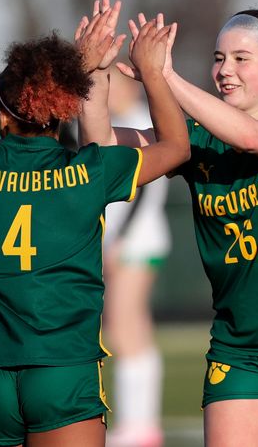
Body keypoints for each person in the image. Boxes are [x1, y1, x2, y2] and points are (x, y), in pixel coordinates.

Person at [80, 9, 258, 447]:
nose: (224, 70)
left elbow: (251, 137)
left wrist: (163, 76)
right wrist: (93, 75)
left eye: (240, 58)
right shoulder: (195, 138)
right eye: (218, 58)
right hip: (237, 340)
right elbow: (102, 149)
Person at [0, 0, 189, 447]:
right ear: (64, 112)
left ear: (0, 116)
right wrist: (150, 74)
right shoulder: (90, 172)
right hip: (63, 368)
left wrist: (72, 72)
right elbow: (176, 147)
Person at [102, 68, 170, 447]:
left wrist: (119, 241)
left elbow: (144, 189)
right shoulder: (129, 119)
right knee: (134, 330)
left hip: (136, 245)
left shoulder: (139, 120)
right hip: (137, 243)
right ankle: (142, 426)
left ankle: (136, 426)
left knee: (124, 329)